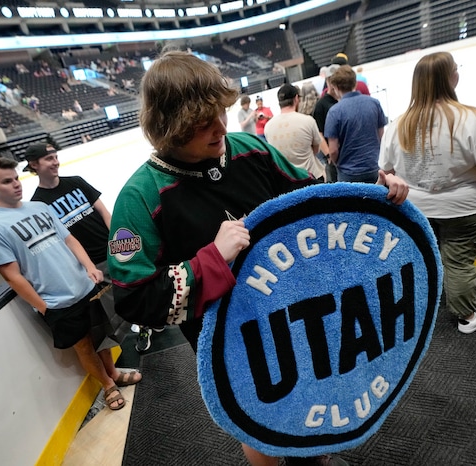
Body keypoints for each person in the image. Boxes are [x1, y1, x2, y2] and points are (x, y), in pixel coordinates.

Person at [107, 49, 408, 466]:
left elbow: (313, 205)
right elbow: (135, 299)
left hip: (298, 317)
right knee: (259, 422)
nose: (219, 127)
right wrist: (210, 260)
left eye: (221, 112)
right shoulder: (140, 197)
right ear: (169, 125)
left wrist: (370, 191)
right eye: (202, 121)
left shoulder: (251, 149)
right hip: (234, 343)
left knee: (309, 404)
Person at [0, 156, 141, 412]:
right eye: (7, 181)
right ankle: (108, 385)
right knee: (84, 346)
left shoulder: (39, 207)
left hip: (84, 287)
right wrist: (44, 307)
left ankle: (114, 372)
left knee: (102, 336)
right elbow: (12, 275)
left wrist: (89, 267)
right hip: (56, 301)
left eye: (17, 178)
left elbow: (70, 240)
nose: (17, 185)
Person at [379, 51, 476, 334]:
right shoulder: (474, 120)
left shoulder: (397, 126)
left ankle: (425, 304)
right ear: (452, 78)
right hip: (467, 208)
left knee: (429, 255)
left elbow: (385, 172)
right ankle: (467, 316)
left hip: (416, 209)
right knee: (459, 260)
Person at [25, 143, 157, 353]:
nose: (55, 162)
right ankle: (142, 326)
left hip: (111, 249)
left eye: (56, 157)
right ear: (34, 164)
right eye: (49, 159)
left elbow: (105, 213)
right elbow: (60, 241)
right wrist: (85, 266)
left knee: (136, 288)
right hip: (90, 264)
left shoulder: (75, 182)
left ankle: (147, 324)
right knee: (115, 302)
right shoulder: (38, 204)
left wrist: (118, 243)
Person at [324, 65, 387, 183]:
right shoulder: (374, 103)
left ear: (336, 87)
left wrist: (338, 164)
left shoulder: (334, 112)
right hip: (375, 167)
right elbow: (382, 137)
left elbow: (333, 150)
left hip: (349, 172)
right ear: (355, 83)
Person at [265, 83, 324, 181]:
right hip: (310, 176)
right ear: (296, 98)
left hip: (286, 180)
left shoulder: (268, 126)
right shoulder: (308, 121)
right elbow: (316, 149)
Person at [313, 64, 340, 182]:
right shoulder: (321, 104)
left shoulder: (343, 99)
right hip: (334, 156)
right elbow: (319, 132)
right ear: (328, 81)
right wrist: (329, 154)